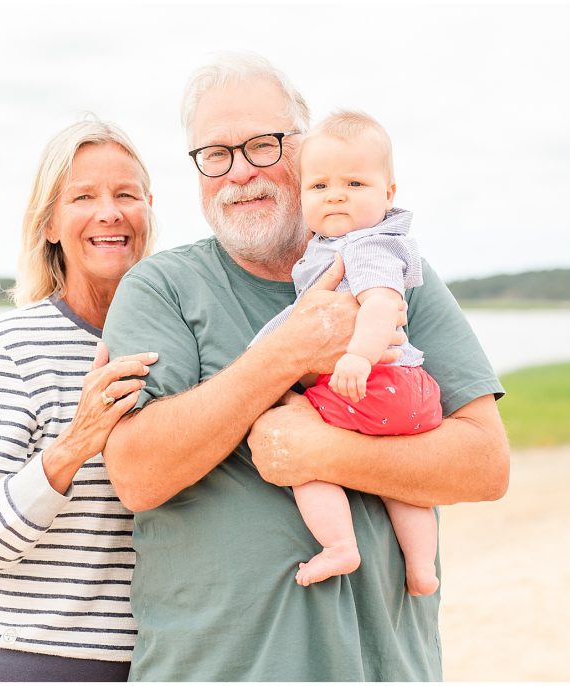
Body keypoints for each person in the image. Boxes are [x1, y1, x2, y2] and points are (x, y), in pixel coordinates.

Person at [102, 53, 509, 682]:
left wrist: (325, 453)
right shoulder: (161, 288)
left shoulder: (396, 273)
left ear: (306, 151)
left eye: (263, 146)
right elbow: (137, 475)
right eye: (215, 155)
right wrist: (284, 353)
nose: (239, 174)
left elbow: (486, 465)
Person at [0, 119, 159, 682]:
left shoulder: (175, 346)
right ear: (51, 223)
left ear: (148, 211)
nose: (110, 212)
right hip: (30, 658)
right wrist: (74, 444)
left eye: (125, 194)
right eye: (83, 196)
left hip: (159, 661)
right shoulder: (6, 347)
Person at [250, 110, 442, 594]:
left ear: (388, 194)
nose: (335, 195)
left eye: (354, 183)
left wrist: (357, 356)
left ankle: (339, 545)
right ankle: (421, 567)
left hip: (373, 381)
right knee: (403, 483)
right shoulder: (353, 243)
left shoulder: (365, 246)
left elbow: (382, 303)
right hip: (410, 390)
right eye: (319, 187)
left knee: (299, 451)